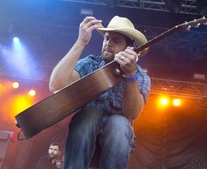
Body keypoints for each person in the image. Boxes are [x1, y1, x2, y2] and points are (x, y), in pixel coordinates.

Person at [49, 15, 151, 169]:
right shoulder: (91, 63)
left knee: (119, 122)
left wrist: (130, 76)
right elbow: (56, 84)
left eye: (116, 41)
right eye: (107, 38)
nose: (108, 43)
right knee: (89, 113)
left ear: (129, 48)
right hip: (83, 138)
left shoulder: (141, 77)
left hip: (116, 144)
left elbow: (132, 114)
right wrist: (80, 42)